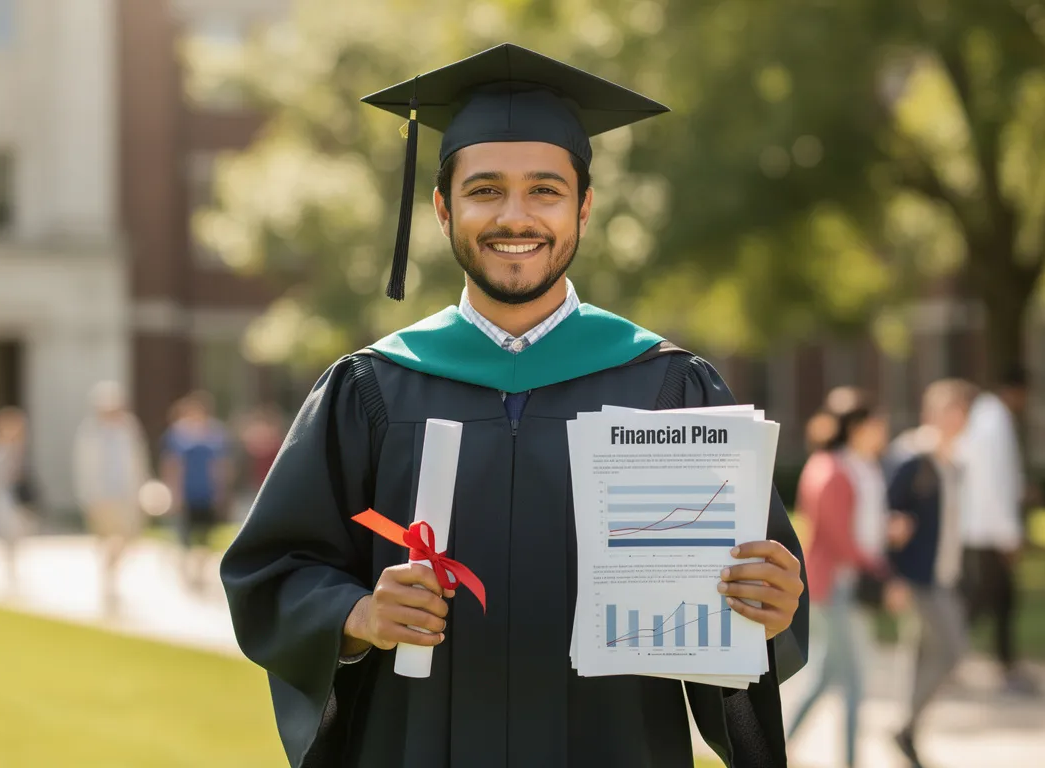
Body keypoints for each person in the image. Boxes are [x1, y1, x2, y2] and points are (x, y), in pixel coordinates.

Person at [220, 43, 809, 768]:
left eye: (545, 190)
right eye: (485, 189)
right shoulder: (372, 388)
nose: (516, 216)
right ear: (443, 208)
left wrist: (774, 609)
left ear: (584, 208)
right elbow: (272, 570)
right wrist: (357, 615)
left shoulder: (667, 389)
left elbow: (754, 608)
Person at [785, 388, 909, 768]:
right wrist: (885, 575)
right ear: (857, 427)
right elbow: (840, 538)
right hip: (837, 586)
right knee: (854, 680)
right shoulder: (834, 470)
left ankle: (772, 748)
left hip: (842, 585)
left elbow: (855, 529)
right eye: (877, 425)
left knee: (827, 675)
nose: (883, 432)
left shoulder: (853, 466)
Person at [886, 379, 977, 768]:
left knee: (922, 654)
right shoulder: (913, 459)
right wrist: (893, 577)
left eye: (962, 412)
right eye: (950, 410)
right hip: (918, 578)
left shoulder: (953, 462)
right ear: (932, 413)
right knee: (953, 651)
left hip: (943, 573)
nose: (957, 419)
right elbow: (889, 517)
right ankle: (905, 727)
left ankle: (908, 734)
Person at [955, 365, 1035, 694]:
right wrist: (1009, 536)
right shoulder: (994, 421)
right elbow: (995, 484)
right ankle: (952, 654)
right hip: (989, 531)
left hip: (979, 528)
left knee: (994, 600)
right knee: (988, 600)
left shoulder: (984, 418)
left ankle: (1003, 663)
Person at [73, 381, 153, 614]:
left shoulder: (128, 428)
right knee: (107, 538)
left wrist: (143, 489)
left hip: (126, 495)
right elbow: (84, 468)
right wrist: (88, 498)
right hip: (102, 497)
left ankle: (112, 572)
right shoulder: (90, 432)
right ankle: (109, 580)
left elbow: (139, 460)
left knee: (129, 537)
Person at [162, 391, 232, 592]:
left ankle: (199, 572)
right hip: (186, 492)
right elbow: (172, 465)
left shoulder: (215, 434)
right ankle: (187, 572)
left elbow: (220, 465)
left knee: (206, 535)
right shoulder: (177, 435)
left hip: (207, 492)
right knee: (185, 534)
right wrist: (174, 493)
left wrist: (222, 491)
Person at [0, 406, 36, 594]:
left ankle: (12, 564)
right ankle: (9, 567)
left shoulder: (16, 447)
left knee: (18, 530)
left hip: (13, 497)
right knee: (6, 530)